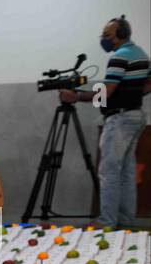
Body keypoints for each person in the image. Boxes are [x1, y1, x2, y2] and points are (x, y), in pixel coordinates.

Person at [61, 16, 149, 228]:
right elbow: (147, 83)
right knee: (126, 172)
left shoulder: (119, 56)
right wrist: (131, 95)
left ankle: (107, 221)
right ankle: (126, 220)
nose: (104, 39)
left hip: (119, 119)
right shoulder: (141, 54)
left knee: (109, 171)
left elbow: (108, 91)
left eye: (108, 35)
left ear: (121, 35)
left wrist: (77, 97)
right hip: (135, 115)